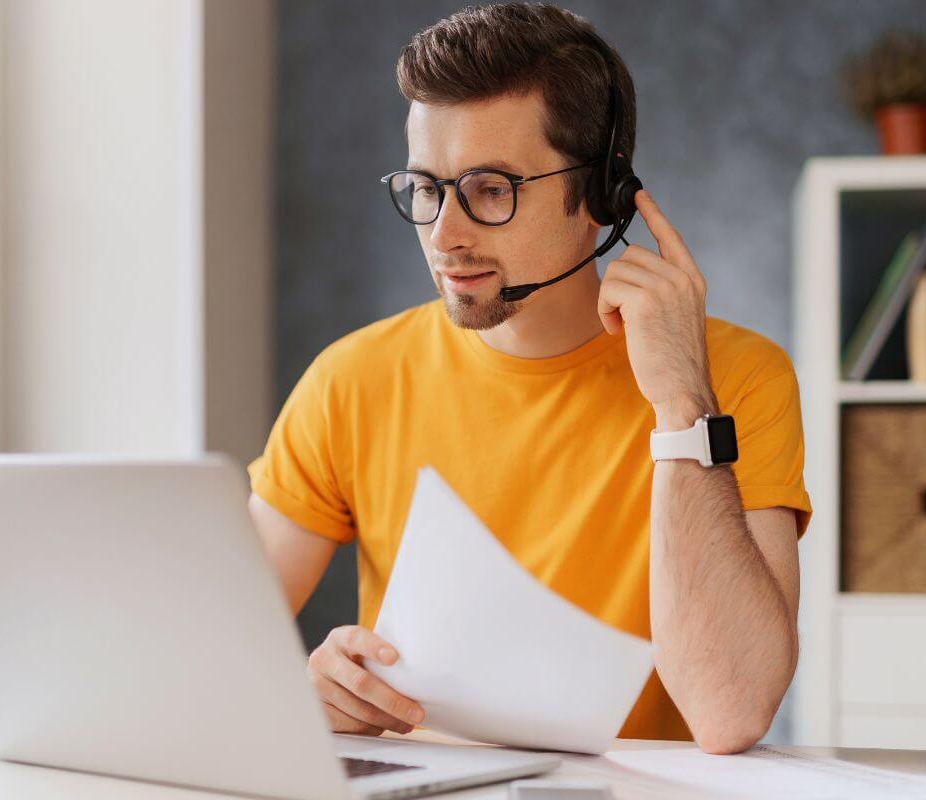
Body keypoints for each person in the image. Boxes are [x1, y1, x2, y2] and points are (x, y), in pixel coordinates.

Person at [247, 3, 811, 755]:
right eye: (425, 187)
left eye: (490, 189)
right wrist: (307, 693)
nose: (444, 234)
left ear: (602, 194)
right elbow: (205, 654)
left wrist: (682, 404)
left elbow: (730, 711)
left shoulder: (736, 379)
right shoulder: (350, 380)